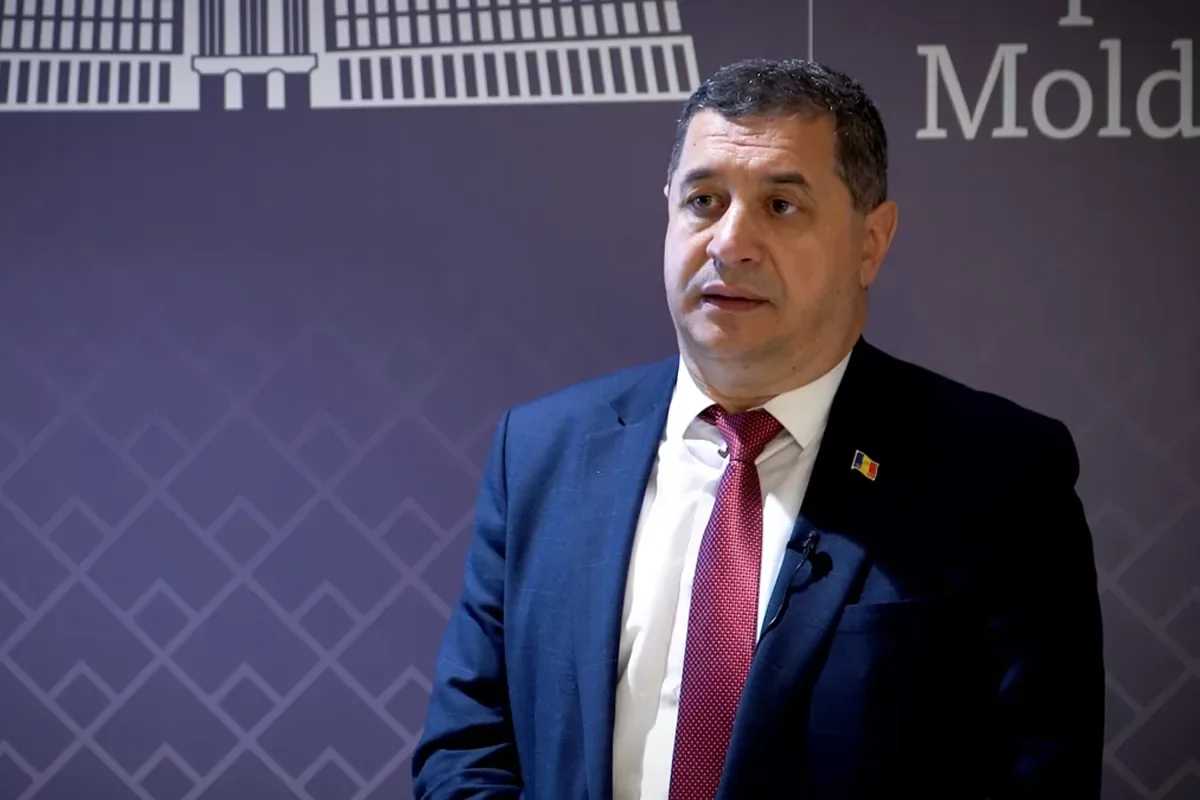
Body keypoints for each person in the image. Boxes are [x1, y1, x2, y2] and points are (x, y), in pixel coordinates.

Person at [410, 58, 1105, 799]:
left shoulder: (999, 474)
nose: (730, 243)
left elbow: (1040, 777)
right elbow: (467, 750)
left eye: (780, 206)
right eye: (704, 201)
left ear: (871, 241)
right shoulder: (543, 453)